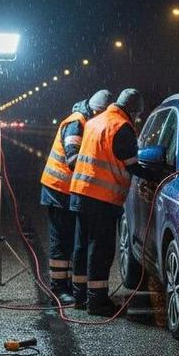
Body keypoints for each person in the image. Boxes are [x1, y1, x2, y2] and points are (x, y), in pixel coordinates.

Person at [70, 88, 144, 314]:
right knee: (100, 249)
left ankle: (80, 297)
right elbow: (133, 166)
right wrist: (159, 175)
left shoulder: (96, 121)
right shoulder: (122, 127)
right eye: (138, 114)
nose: (137, 119)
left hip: (80, 192)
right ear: (132, 110)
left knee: (82, 246)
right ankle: (97, 301)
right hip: (101, 198)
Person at [40, 90, 113, 304]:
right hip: (58, 188)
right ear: (97, 110)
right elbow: (72, 158)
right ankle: (58, 289)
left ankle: (69, 286)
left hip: (68, 189)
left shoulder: (83, 121)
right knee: (60, 240)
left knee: (70, 238)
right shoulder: (77, 122)